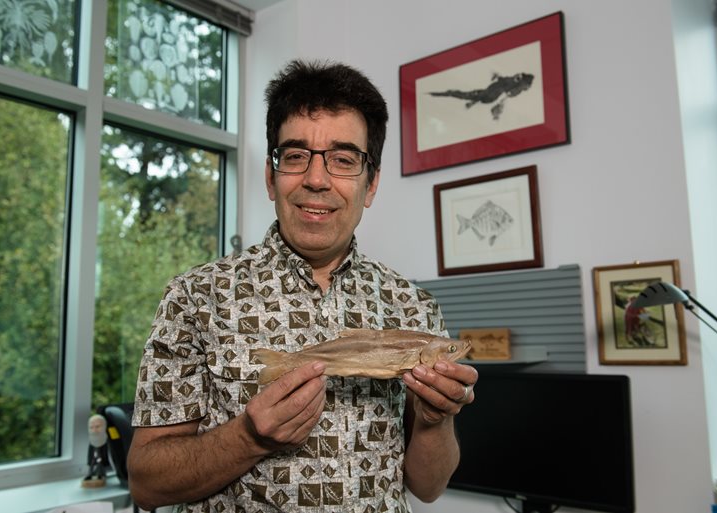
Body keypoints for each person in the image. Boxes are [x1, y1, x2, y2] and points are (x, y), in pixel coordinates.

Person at [127, 59, 479, 512]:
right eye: (295, 156)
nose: (316, 179)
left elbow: (428, 487)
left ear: (370, 186)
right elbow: (146, 484)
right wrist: (249, 438)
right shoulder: (195, 297)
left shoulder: (414, 305)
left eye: (344, 160)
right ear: (271, 178)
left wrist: (433, 422)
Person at [82, 414, 109, 488]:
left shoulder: (107, 441)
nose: (94, 430)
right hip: (93, 459)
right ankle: (90, 474)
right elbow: (90, 454)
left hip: (102, 459)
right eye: (91, 427)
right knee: (92, 466)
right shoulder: (91, 442)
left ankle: (101, 474)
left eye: (97, 426)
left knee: (100, 466)